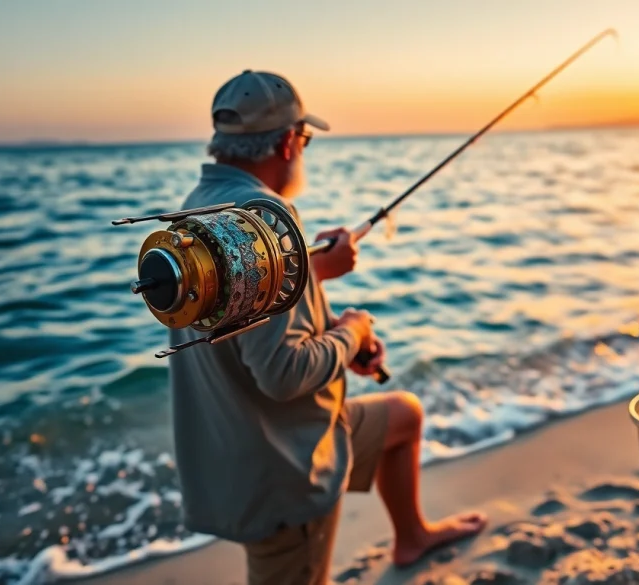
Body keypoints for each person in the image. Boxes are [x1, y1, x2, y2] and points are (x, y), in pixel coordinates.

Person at [167, 69, 488, 584]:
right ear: (291, 142)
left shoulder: (199, 211)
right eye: (306, 138)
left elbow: (247, 313)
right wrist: (354, 332)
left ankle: (412, 538)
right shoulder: (268, 220)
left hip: (258, 450)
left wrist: (313, 276)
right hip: (284, 474)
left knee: (402, 417)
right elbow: (282, 372)